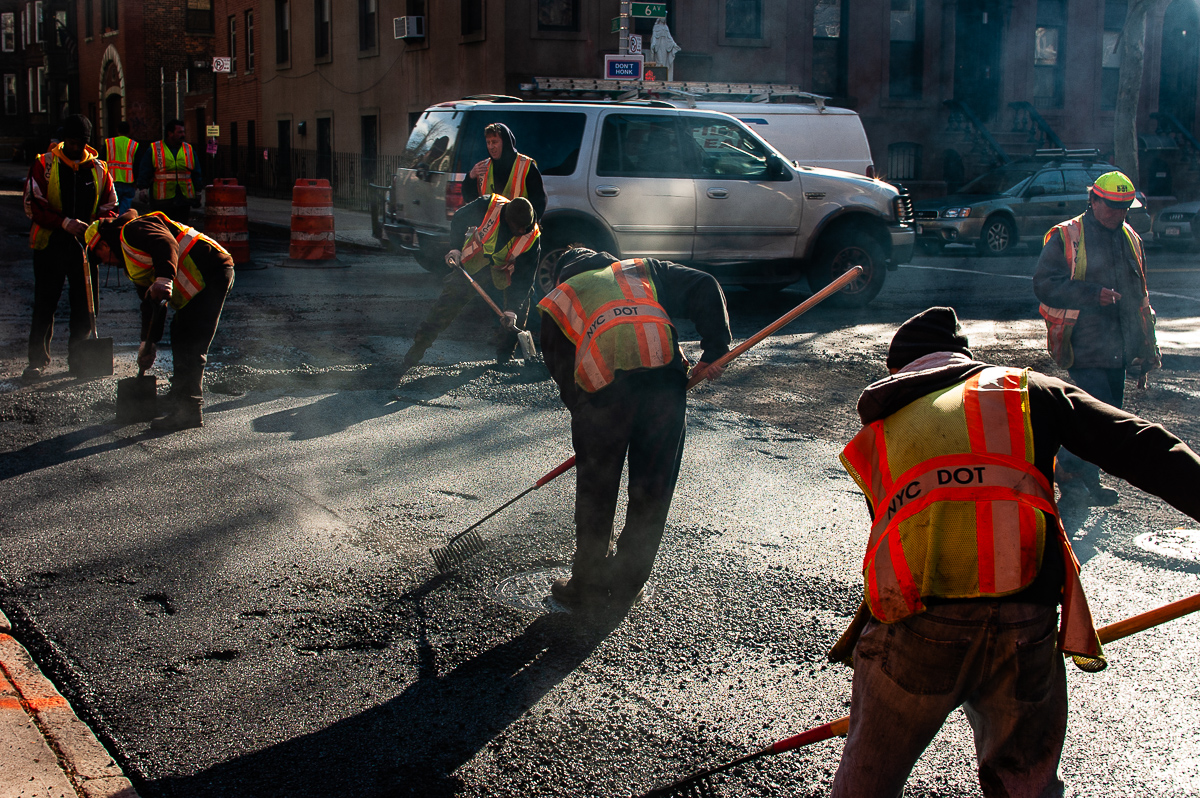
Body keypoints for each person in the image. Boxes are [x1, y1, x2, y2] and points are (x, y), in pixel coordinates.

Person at [828, 306, 1200, 798]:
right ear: (962, 359)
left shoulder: (879, 434)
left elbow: (900, 543)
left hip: (918, 626)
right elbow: (1140, 445)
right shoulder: (1025, 391)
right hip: (1026, 618)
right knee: (1027, 787)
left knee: (866, 786)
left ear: (900, 373)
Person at [537, 248, 732, 606]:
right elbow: (704, 284)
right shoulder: (642, 270)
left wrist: (586, 422)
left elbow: (565, 377)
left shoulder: (558, 300)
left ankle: (589, 585)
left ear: (565, 275)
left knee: (597, 489)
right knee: (652, 487)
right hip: (663, 387)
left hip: (603, 397)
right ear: (608, 261)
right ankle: (627, 581)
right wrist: (714, 350)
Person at [1034, 170, 1160, 507]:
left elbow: (1138, 297)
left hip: (1117, 348)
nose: (1119, 214)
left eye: (1124, 209)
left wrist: (1143, 348)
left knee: (1107, 415)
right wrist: (1093, 294)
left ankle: (1080, 475)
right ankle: (1064, 471)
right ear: (1093, 201)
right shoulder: (1066, 235)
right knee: (1097, 413)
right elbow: (1044, 285)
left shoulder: (1130, 237)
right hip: (1083, 342)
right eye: (1112, 207)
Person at [83, 209, 234, 431]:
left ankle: (189, 410)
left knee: (191, 342)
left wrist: (165, 277)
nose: (104, 263)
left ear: (103, 245)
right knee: (179, 332)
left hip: (212, 269)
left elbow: (166, 243)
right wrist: (148, 342)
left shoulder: (133, 230)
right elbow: (151, 304)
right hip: (202, 280)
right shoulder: (131, 262)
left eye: (99, 257)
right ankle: (178, 397)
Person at [396, 194, 540, 381]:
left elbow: (525, 276)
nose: (522, 231)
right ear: (506, 218)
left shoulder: (532, 236)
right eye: (517, 228)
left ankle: (504, 359)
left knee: (517, 313)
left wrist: (512, 309)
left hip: (504, 269)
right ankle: (416, 351)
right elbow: (459, 218)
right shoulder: (488, 206)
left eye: (525, 228)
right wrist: (455, 248)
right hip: (475, 262)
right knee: (447, 304)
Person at [21, 114, 117, 382]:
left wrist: (95, 228)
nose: (76, 148)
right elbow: (33, 203)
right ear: (65, 140)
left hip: (86, 248)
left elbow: (110, 205)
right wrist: (64, 223)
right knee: (45, 304)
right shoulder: (45, 164)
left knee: (85, 305)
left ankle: (80, 359)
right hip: (50, 245)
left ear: (87, 143)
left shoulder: (99, 169)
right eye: (72, 143)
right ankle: (36, 361)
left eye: (80, 144)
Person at [461, 123, 547, 221]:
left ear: (505, 142)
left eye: (494, 142)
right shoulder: (483, 167)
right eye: (488, 142)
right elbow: (470, 200)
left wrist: (526, 225)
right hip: (491, 232)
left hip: (519, 230)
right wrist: (470, 177)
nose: (491, 146)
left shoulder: (526, 165)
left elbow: (539, 201)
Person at [137, 118, 202, 224]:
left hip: (183, 198)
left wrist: (198, 191)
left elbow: (196, 172)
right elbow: (145, 169)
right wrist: (142, 189)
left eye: (183, 132)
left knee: (182, 229)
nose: (183, 135)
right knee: (164, 228)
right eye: (179, 132)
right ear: (170, 133)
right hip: (162, 200)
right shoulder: (155, 149)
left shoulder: (188, 149)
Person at [103, 121, 139, 214]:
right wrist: (136, 182)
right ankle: (121, 225)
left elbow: (101, 162)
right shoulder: (134, 145)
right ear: (129, 131)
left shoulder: (109, 143)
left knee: (111, 208)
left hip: (112, 181)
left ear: (117, 130)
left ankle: (113, 224)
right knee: (125, 210)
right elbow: (137, 164)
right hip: (128, 182)